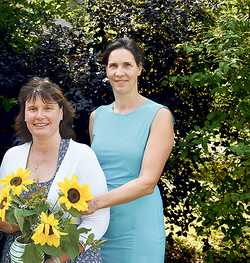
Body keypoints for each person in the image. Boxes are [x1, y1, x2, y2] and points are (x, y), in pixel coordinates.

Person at [0, 77, 110, 263]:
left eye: (48, 108)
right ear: (24, 115)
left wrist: (54, 260)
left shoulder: (82, 155)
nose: (40, 116)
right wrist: (7, 224)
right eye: (32, 109)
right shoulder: (12, 156)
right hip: (20, 256)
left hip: (70, 258)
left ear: (61, 113)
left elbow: (97, 221)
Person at [84, 37, 175, 262]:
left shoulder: (158, 115)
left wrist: (95, 203)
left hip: (137, 227)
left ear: (139, 69)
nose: (119, 72)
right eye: (113, 66)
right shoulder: (97, 116)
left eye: (127, 65)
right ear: (106, 70)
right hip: (99, 226)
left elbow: (147, 183)